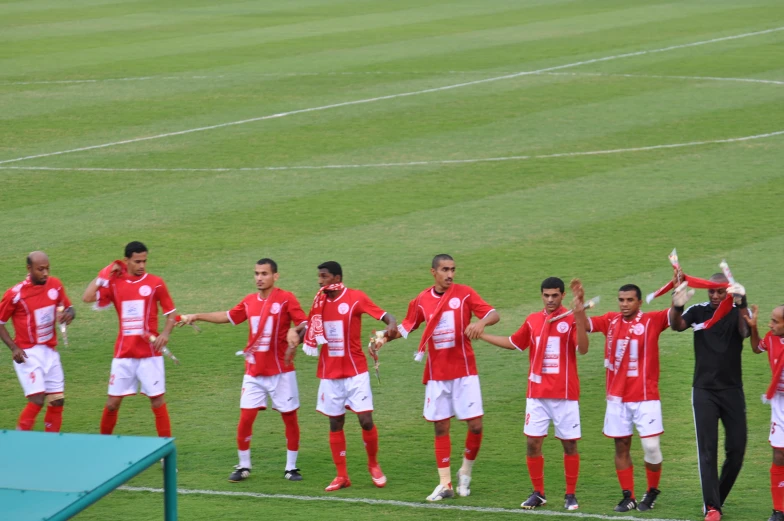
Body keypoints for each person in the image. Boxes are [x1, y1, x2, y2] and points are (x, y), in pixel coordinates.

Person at [179, 258, 308, 482]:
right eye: (257, 273)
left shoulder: (286, 298)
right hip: (254, 373)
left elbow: (306, 324)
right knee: (245, 419)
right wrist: (196, 315)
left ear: (275, 276)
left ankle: (291, 468)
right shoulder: (249, 302)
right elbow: (228, 316)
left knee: (289, 418)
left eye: (264, 274)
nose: (259, 278)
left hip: (282, 372)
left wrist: (295, 332)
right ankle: (243, 466)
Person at [385, 254, 499, 502]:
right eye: (445, 270)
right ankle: (445, 483)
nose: (450, 274)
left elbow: (493, 314)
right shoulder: (421, 300)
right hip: (438, 374)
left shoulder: (465, 294)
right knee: (440, 426)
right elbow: (406, 327)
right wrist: (382, 338)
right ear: (433, 272)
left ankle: (465, 471)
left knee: (476, 425)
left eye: (453, 269)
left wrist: (481, 323)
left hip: (465, 371)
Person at [478, 277, 589, 511]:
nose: (550, 299)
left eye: (555, 295)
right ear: (542, 295)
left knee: (569, 445)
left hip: (564, 394)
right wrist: (482, 336)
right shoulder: (533, 320)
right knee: (532, 443)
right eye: (546, 295)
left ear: (561, 296)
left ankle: (570, 494)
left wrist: (579, 314)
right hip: (537, 394)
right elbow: (513, 343)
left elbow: (583, 348)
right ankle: (538, 493)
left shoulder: (568, 319)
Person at [292, 261, 396, 492]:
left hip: (356, 372)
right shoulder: (318, 304)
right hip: (330, 374)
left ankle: (374, 465)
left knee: (365, 420)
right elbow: (309, 330)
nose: (320, 281)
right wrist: (293, 340)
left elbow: (385, 315)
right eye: (319, 276)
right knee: (335, 422)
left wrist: (391, 324)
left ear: (337, 278)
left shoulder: (355, 298)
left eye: (324, 276)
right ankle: (342, 476)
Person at [587, 283, 679, 513]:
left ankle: (652, 490)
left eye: (629, 300)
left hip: (646, 397)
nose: (624, 304)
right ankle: (628, 496)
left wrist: (677, 300)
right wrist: (579, 309)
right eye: (621, 300)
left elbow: (674, 317)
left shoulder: (651, 321)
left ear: (639, 302)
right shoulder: (610, 321)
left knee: (651, 446)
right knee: (621, 446)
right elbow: (586, 325)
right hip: (617, 398)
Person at [670, 273, 749, 521]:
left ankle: (717, 498)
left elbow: (746, 332)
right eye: (711, 292)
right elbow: (676, 325)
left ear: (728, 292)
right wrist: (677, 304)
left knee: (737, 450)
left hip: (733, 391)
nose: (715, 296)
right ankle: (712, 506)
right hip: (704, 391)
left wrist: (743, 302)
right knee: (707, 450)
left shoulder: (737, 311)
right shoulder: (698, 311)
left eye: (720, 292)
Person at [82, 241, 178, 439]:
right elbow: (87, 297)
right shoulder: (115, 283)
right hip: (124, 354)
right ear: (126, 261)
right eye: (137, 261)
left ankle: (165, 452)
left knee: (157, 402)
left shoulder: (155, 283)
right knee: (112, 403)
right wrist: (105, 272)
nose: (142, 265)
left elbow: (171, 313)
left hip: (150, 355)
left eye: (144, 261)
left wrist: (165, 334)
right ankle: (103, 445)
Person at [0, 251, 74, 432]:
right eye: (40, 269)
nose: (45, 273)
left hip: (50, 351)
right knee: (38, 399)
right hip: (28, 353)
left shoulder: (55, 285)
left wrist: (69, 314)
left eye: (47, 268)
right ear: (29, 269)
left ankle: (51, 446)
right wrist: (13, 347)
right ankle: (19, 442)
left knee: (57, 400)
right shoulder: (16, 294)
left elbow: (69, 307)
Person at [747, 304, 784, 521]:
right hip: (779, 404)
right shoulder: (770, 338)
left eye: (775, 321)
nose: (770, 324)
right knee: (779, 454)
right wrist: (753, 328)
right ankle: (779, 510)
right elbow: (756, 348)